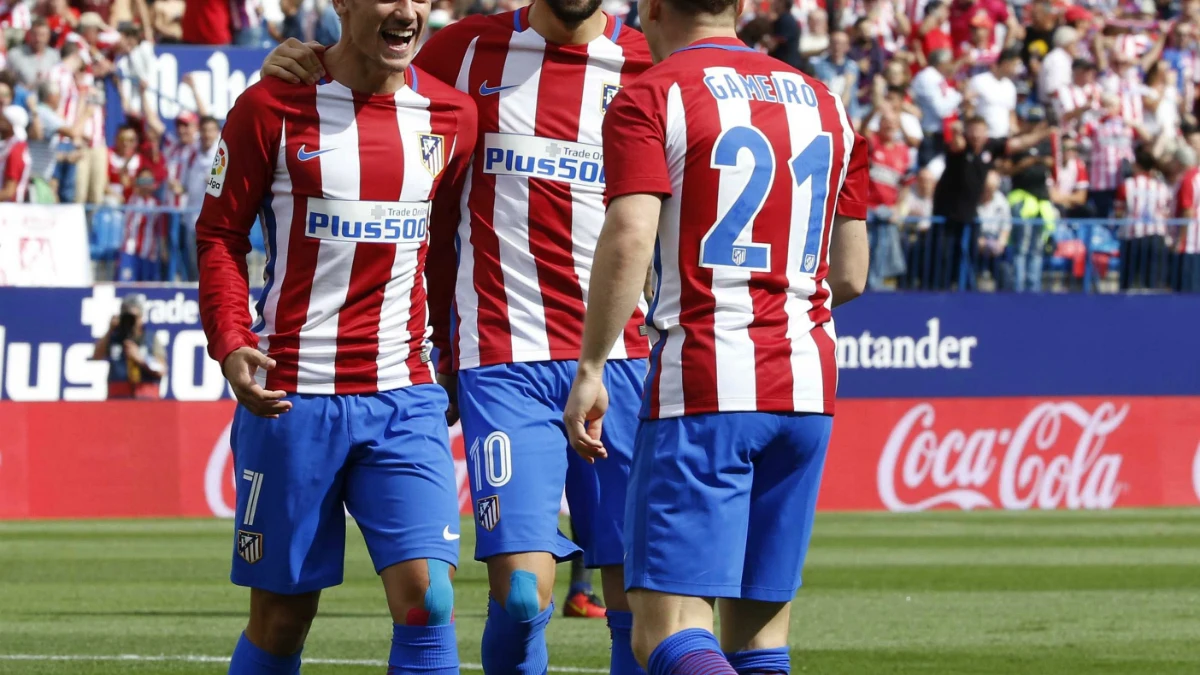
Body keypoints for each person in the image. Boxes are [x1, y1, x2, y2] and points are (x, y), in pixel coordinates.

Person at [261, 0, 655, 671]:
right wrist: (298, 61)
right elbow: (370, 82)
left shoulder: (648, 63)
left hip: (627, 360)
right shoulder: (464, 50)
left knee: (637, 602)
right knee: (526, 594)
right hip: (503, 357)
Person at [562, 0, 869, 673]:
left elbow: (631, 235)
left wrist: (591, 364)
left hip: (707, 381)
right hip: (807, 386)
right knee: (759, 640)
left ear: (654, 8)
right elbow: (851, 272)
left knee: (664, 632)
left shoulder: (653, 93)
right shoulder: (826, 102)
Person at [196, 0, 477, 672]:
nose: (406, 9)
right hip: (294, 397)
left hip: (404, 393)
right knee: (284, 617)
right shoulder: (269, 106)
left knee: (428, 601)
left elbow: (449, 251)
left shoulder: (453, 117)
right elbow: (219, 234)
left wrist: (457, 356)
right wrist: (232, 338)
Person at [931, 115, 1053, 290]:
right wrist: (956, 131)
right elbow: (956, 144)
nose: (976, 136)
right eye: (972, 131)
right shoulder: (961, 148)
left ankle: (967, 293)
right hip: (947, 216)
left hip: (969, 216)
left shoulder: (991, 147)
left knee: (969, 258)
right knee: (943, 259)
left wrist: (1045, 133)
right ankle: (938, 294)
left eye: (980, 131)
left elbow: (1020, 143)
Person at [1006, 105, 1056, 293]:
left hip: (1041, 199)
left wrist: (1042, 161)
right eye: (1032, 122)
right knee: (1021, 246)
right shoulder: (1018, 142)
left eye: (1038, 122)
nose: (1035, 126)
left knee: (1036, 247)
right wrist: (1025, 164)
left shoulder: (1046, 143)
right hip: (1023, 197)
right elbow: (1008, 169)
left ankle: (1032, 288)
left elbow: (1053, 164)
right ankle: (1018, 287)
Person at [1114, 147, 1173, 290]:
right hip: (1156, 237)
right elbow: (1167, 212)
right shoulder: (1162, 187)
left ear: (1137, 165)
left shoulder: (1126, 186)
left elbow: (1118, 213)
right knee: (1153, 284)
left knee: (1127, 283)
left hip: (1131, 237)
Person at [93, 293, 166, 399]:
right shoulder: (114, 338)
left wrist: (141, 358)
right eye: (126, 317)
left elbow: (161, 369)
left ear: (141, 318)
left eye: (134, 317)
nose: (130, 321)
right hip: (118, 399)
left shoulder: (150, 339)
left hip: (146, 400)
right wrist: (110, 330)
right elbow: (96, 356)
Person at [116, 167, 163, 281]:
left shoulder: (158, 204)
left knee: (149, 290)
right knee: (125, 286)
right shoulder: (129, 196)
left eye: (149, 181)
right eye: (142, 181)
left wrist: (163, 249)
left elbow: (161, 230)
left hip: (149, 253)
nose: (145, 185)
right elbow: (122, 174)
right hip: (129, 251)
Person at [967, 47, 1019, 141]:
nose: (1016, 69)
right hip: (982, 139)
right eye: (1014, 65)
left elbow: (1011, 112)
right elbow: (969, 110)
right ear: (1005, 64)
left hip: (1003, 138)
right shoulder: (979, 81)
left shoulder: (1010, 86)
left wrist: (1013, 129)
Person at [976, 170, 1011, 289]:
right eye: (986, 188)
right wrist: (979, 242)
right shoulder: (974, 199)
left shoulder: (1001, 201)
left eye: (991, 189)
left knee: (1004, 269)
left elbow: (1006, 226)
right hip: (976, 243)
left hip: (995, 243)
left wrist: (1000, 244)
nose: (988, 192)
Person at [8, 19, 62, 88]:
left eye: (42, 35)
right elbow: (8, 81)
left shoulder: (55, 56)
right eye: (35, 34)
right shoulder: (15, 55)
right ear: (29, 35)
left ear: (48, 36)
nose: (38, 39)